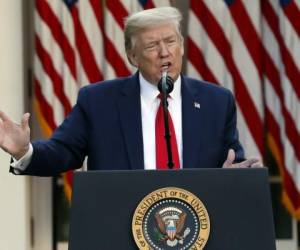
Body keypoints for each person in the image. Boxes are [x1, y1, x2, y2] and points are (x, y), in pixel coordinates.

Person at [0, 7, 261, 176]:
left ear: (181, 46)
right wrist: (24, 151)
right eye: (152, 46)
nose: (164, 52)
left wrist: (236, 174)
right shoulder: (98, 101)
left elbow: (231, 160)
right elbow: (62, 152)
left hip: (196, 230)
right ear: (132, 56)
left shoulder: (216, 101)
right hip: (121, 230)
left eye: (171, 41)